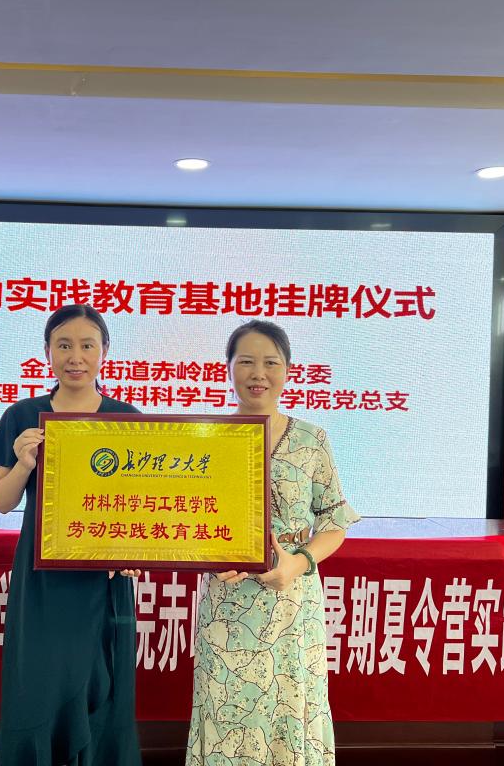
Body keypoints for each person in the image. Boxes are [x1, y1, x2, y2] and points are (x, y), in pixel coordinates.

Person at [186, 320, 360, 766]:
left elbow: (334, 523)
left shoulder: (311, 439)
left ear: (288, 370)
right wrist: (209, 556)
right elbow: (186, 519)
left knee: (290, 709)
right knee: (225, 714)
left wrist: (297, 564)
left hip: (292, 602)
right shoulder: (206, 439)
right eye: (246, 362)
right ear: (228, 368)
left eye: (270, 363)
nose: (258, 373)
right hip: (226, 602)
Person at [0, 304, 142, 766]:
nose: (76, 357)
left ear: (105, 351)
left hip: (105, 576)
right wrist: (24, 463)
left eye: (87, 345)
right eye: (64, 345)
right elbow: (2, 502)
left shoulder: (126, 416)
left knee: (100, 684)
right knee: (38, 682)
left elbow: (142, 500)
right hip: (42, 578)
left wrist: (136, 551)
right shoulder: (23, 415)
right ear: (47, 352)